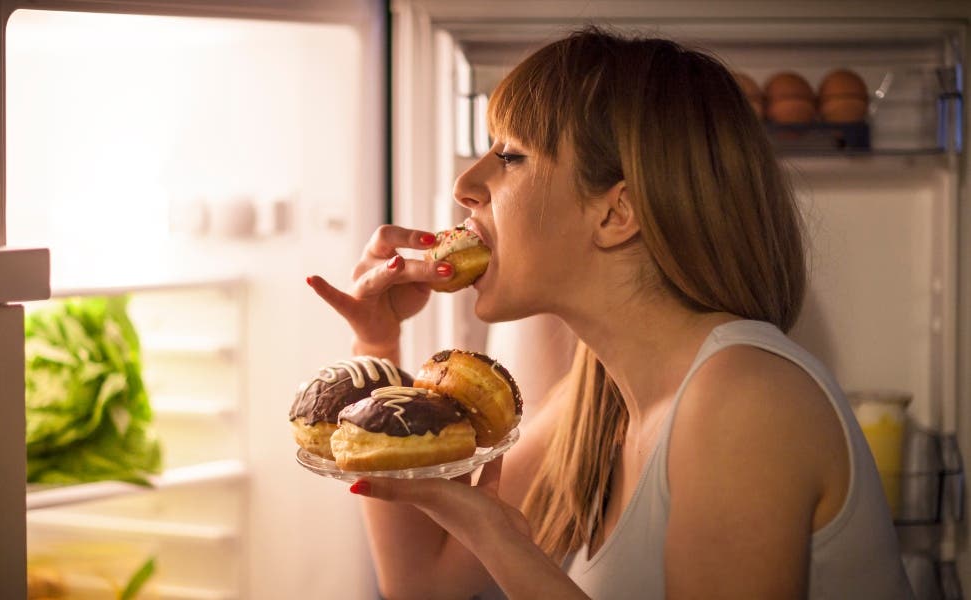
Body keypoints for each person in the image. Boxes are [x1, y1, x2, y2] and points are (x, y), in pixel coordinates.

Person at [306, 26, 913, 599]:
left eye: (510, 156)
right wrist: (378, 347)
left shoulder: (743, 399)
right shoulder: (597, 399)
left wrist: (498, 538)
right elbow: (421, 582)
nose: (467, 183)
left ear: (615, 213)